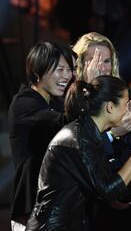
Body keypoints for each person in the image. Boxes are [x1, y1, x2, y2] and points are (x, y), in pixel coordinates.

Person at [25, 76, 131, 230]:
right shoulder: (79, 139)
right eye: (126, 104)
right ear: (110, 107)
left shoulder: (87, 133)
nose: (129, 109)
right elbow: (108, 190)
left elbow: (99, 184)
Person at [72, 32, 131, 230]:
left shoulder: (127, 94)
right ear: (80, 64)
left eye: (106, 61)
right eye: (93, 61)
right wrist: (114, 133)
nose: (101, 67)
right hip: (96, 197)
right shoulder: (74, 100)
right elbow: (81, 149)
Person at [8, 42, 74, 230]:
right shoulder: (24, 103)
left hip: (53, 205)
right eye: (60, 69)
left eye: (69, 70)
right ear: (37, 72)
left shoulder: (54, 104)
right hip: (32, 210)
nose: (67, 76)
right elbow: (64, 123)